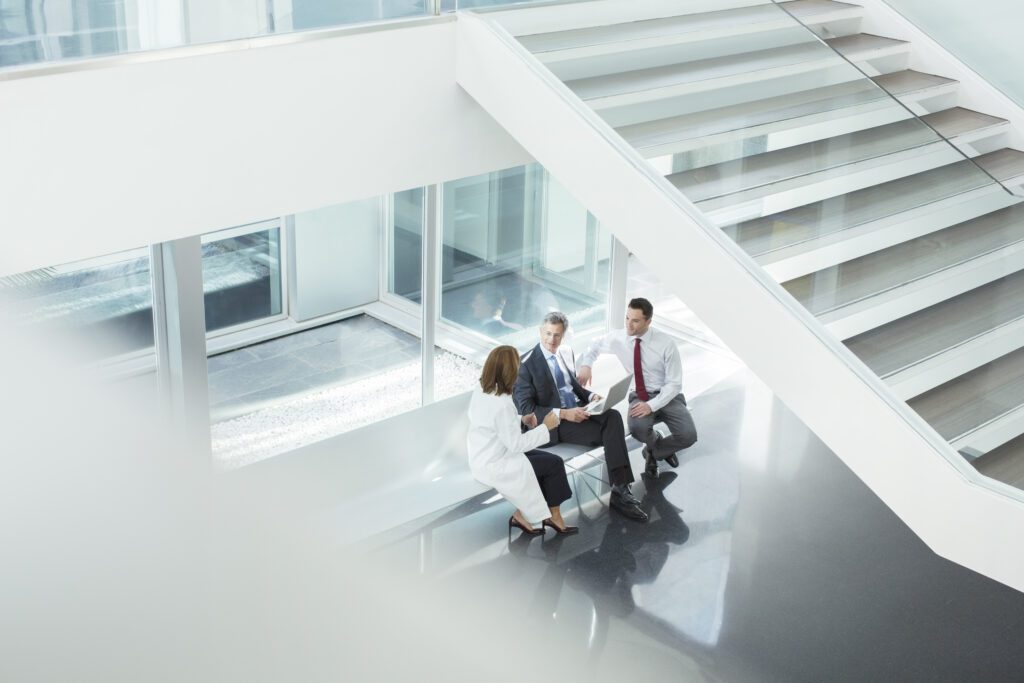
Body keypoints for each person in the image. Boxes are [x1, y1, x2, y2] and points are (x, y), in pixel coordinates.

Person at [514, 312, 648, 523]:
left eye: (557, 335)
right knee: (609, 430)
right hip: (552, 424)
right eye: (548, 334)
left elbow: (573, 387)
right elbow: (526, 409)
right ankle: (621, 492)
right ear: (540, 332)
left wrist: (591, 395)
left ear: (563, 335)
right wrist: (565, 413)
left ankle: (620, 488)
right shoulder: (526, 364)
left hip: (576, 410)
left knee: (612, 416)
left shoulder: (565, 353)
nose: (552, 340)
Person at [577, 298, 697, 477]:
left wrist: (651, 405)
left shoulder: (666, 344)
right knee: (637, 429)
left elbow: (674, 384)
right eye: (627, 318)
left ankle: (652, 452)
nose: (628, 325)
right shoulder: (620, 337)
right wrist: (586, 365)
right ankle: (657, 442)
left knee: (688, 435)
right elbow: (594, 344)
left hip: (666, 395)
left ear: (648, 321)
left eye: (635, 321)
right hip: (639, 395)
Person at [467, 345, 579, 538]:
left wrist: (521, 419)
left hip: (485, 454)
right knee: (553, 464)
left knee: (546, 461)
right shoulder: (501, 404)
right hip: (495, 463)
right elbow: (516, 444)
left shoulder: (484, 389)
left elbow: (495, 424)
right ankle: (553, 516)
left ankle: (523, 515)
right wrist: (546, 426)